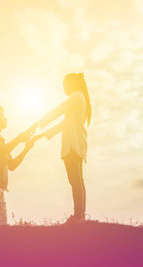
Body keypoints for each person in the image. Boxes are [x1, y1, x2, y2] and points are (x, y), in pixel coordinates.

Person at [33, 73, 91, 224]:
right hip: (77, 143)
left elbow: (56, 111)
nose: (64, 87)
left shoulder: (75, 97)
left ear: (73, 84)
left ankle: (78, 216)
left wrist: (38, 124)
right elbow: (64, 124)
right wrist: (43, 134)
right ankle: (80, 215)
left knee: (75, 181)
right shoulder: (80, 98)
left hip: (72, 144)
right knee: (78, 181)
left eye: (66, 84)